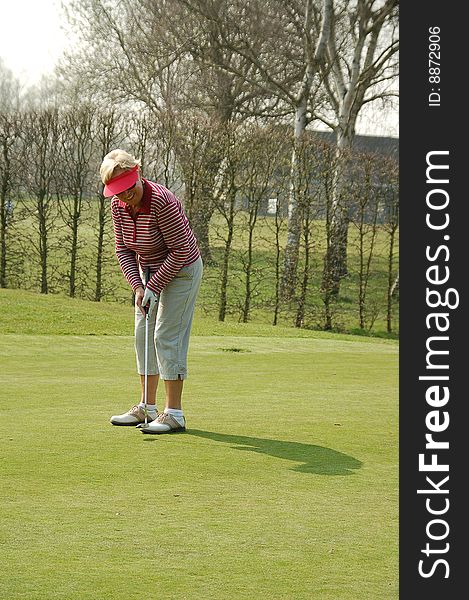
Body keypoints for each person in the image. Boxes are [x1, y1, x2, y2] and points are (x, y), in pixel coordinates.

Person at [100, 149, 203, 434]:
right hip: (147, 273)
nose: (124, 196)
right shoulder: (118, 206)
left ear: (138, 174)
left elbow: (181, 250)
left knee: (165, 337)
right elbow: (123, 249)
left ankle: (174, 414)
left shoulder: (162, 201)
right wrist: (138, 286)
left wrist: (154, 286)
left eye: (127, 188)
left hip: (182, 271)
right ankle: (147, 407)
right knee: (142, 335)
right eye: (117, 192)